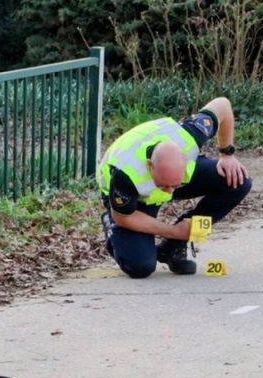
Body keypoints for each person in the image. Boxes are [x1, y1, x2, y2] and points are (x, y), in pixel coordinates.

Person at [97, 97, 252, 278]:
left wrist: (227, 154)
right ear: (150, 166)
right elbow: (124, 217)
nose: (171, 192)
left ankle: (172, 246)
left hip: (163, 175)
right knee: (140, 267)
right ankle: (111, 225)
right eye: (165, 186)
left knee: (238, 180)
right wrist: (175, 231)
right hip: (132, 199)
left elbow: (223, 105)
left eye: (175, 185)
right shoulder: (125, 173)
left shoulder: (191, 135)